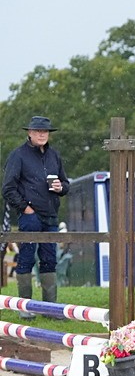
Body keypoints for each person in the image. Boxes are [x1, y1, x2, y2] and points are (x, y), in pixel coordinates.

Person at [2, 116, 70, 318]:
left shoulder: (54, 156)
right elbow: (8, 189)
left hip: (51, 216)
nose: (42, 134)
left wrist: (60, 188)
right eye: (38, 131)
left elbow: (66, 185)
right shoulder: (18, 156)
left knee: (50, 260)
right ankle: (26, 309)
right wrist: (25, 208)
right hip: (29, 217)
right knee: (26, 259)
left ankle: (50, 310)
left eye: (45, 131)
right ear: (29, 133)